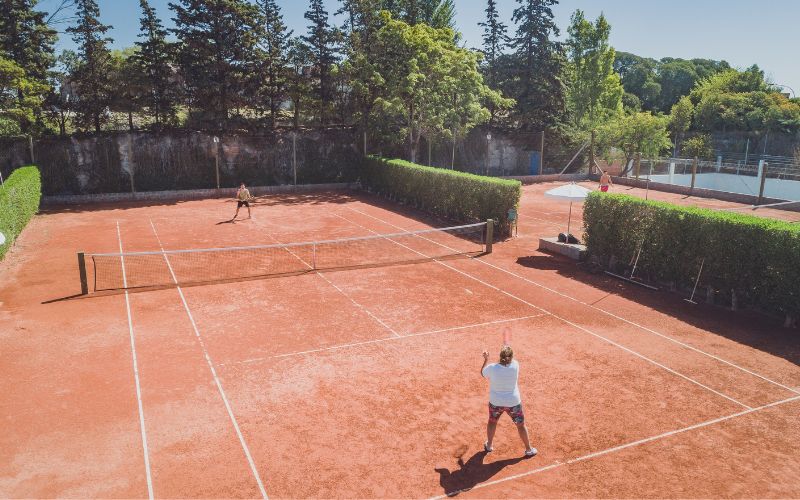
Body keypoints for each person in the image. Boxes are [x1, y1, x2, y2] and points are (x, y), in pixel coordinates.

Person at [481, 346, 537, 457]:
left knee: (492, 422)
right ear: (511, 357)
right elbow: (509, 361)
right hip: (513, 403)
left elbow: (483, 373)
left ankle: (489, 446)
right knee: (520, 425)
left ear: (500, 356)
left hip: (496, 402)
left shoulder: (492, 368)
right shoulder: (516, 365)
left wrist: (486, 359)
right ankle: (529, 449)